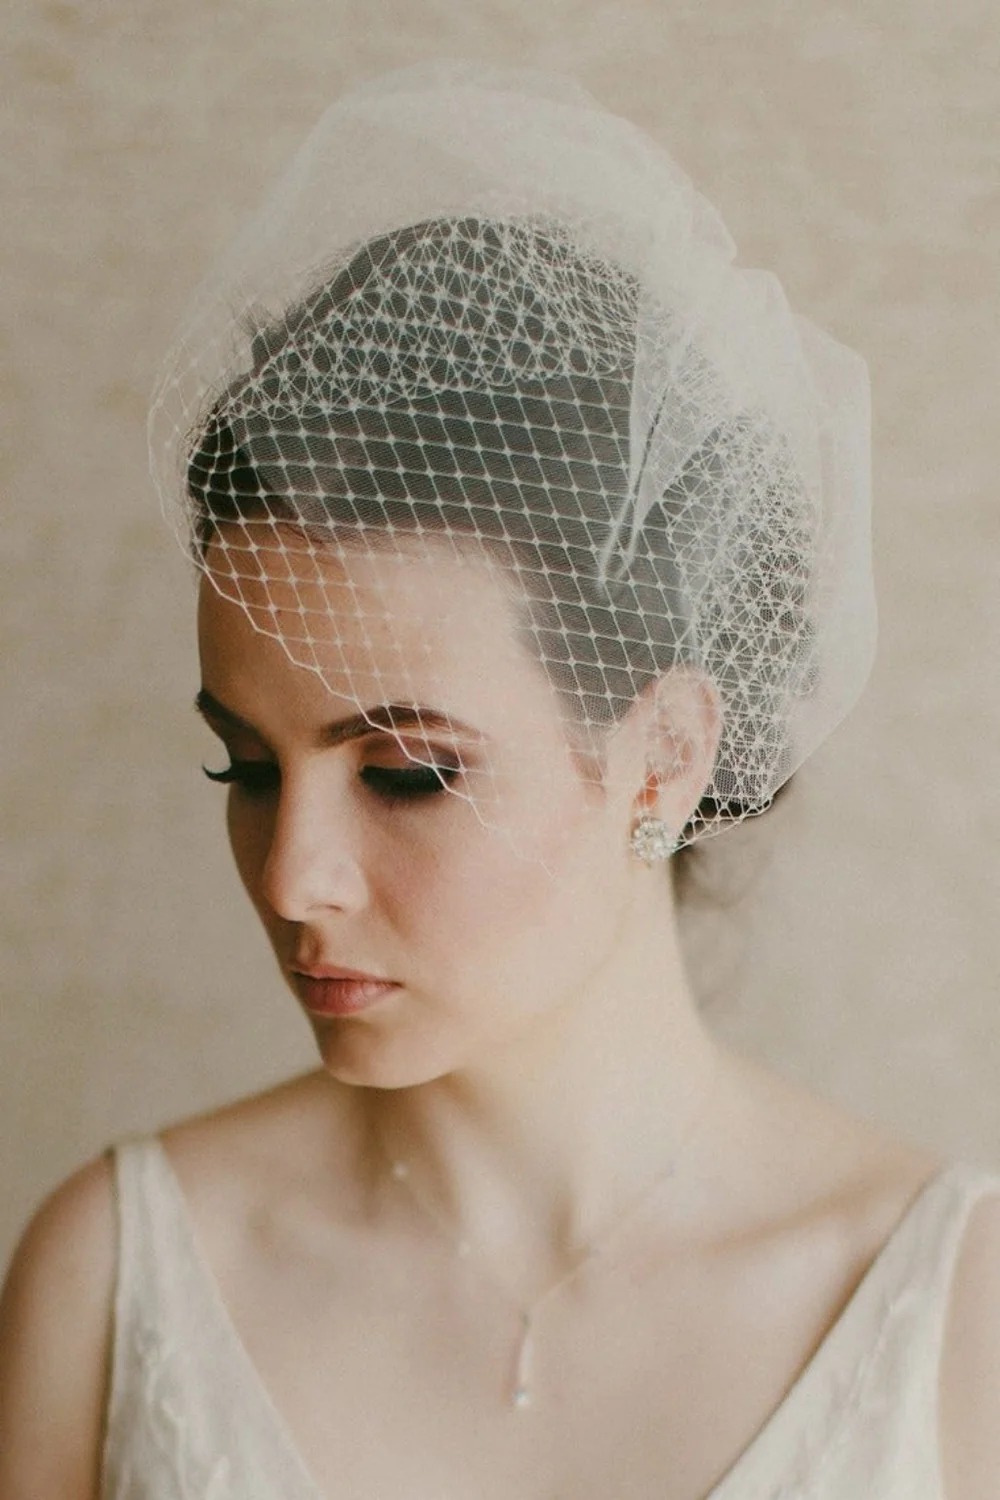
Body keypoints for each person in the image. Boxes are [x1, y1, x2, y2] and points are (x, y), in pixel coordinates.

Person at [1, 62, 997, 1500]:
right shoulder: (116, 1277)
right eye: (248, 764)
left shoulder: (954, 1317)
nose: (291, 878)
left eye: (405, 773)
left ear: (665, 753)